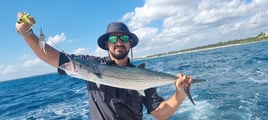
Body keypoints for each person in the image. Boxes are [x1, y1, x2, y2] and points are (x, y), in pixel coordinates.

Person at [15, 12, 192, 120]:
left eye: (123, 39)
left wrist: (180, 93)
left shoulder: (144, 77)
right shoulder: (90, 63)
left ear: (130, 44)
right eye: (113, 39)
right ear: (107, 44)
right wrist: (27, 33)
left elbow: (160, 114)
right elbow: (52, 57)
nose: (118, 43)